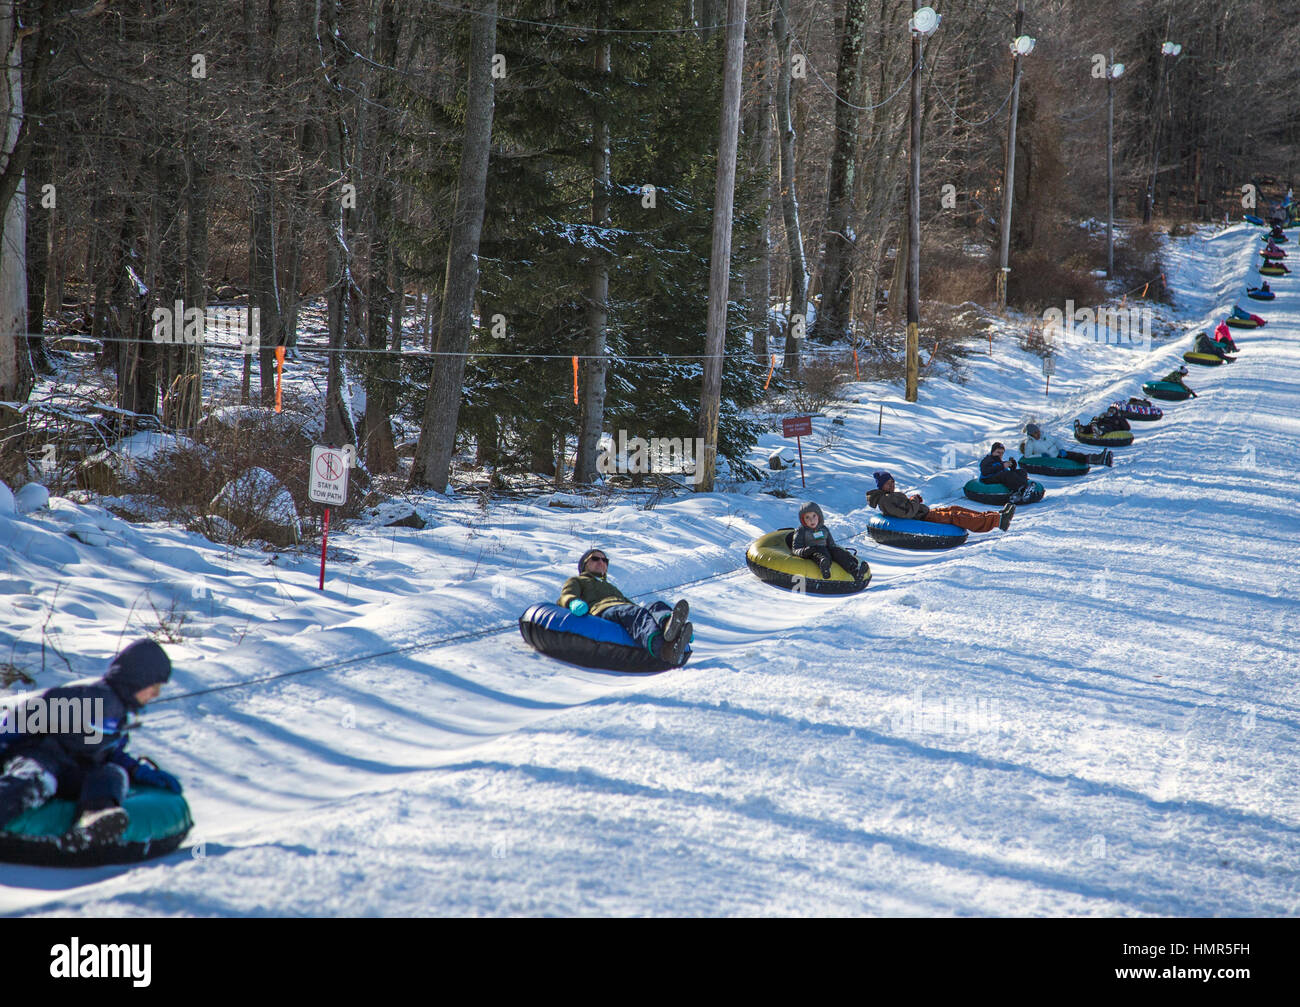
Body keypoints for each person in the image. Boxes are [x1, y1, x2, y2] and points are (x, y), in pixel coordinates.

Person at [0, 639, 181, 853]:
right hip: (44, 757)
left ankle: (94, 820)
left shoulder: (122, 714)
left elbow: (109, 753)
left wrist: (136, 770)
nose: (156, 694)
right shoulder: (94, 697)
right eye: (154, 686)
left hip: (75, 772)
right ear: (137, 681)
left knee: (112, 773)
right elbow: (32, 713)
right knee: (38, 778)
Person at [558, 549, 692, 665]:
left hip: (623, 610)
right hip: (602, 611)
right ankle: (662, 648)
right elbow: (566, 594)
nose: (601, 562)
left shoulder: (612, 587)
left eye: (605, 560)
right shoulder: (577, 580)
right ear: (584, 565)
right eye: (595, 558)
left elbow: (632, 606)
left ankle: (673, 628)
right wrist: (573, 602)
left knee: (656, 605)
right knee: (634, 613)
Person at [868, 471, 1014, 532]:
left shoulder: (889, 496)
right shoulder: (885, 500)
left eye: (892, 482)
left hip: (924, 513)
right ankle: (997, 521)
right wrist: (914, 501)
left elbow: (907, 507)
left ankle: (995, 515)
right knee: (955, 516)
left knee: (954, 508)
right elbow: (907, 513)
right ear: (881, 485)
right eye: (888, 483)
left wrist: (915, 501)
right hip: (921, 518)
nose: (891, 485)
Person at [789, 501, 869, 586]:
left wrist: (843, 553)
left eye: (814, 516)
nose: (811, 520)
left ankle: (855, 572)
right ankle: (824, 566)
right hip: (811, 551)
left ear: (819, 516)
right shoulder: (801, 531)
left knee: (837, 551)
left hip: (825, 550)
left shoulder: (824, 529)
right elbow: (795, 548)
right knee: (819, 552)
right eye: (807, 517)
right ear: (803, 520)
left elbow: (832, 544)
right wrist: (805, 551)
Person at [1022, 422, 1112, 467]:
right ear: (1031, 434)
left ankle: (1099, 459)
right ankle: (1100, 460)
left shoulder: (1044, 436)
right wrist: (1041, 455)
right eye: (1035, 433)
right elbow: (1027, 456)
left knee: (1076, 455)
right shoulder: (1029, 443)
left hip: (1057, 453)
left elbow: (1056, 441)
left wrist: (1061, 449)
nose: (1038, 434)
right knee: (1075, 457)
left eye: (1038, 431)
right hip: (1051, 459)